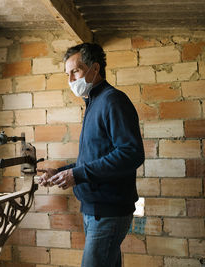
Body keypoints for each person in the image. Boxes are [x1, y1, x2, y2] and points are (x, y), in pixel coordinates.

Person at [38, 43, 144, 267]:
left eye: (75, 71)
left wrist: (78, 174)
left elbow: (131, 153)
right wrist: (59, 172)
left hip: (107, 212)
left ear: (95, 68)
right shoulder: (93, 103)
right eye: (67, 74)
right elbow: (91, 160)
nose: (70, 80)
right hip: (95, 209)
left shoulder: (112, 100)